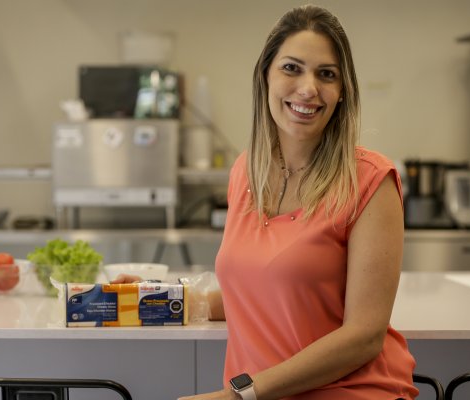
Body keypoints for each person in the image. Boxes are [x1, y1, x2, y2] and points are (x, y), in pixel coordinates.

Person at [117, 4, 417, 399]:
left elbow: (364, 337)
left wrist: (238, 395)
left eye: (326, 74)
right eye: (292, 68)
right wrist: (164, 298)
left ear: (342, 92)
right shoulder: (247, 171)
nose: (308, 88)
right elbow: (258, 291)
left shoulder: (370, 181)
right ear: (265, 77)